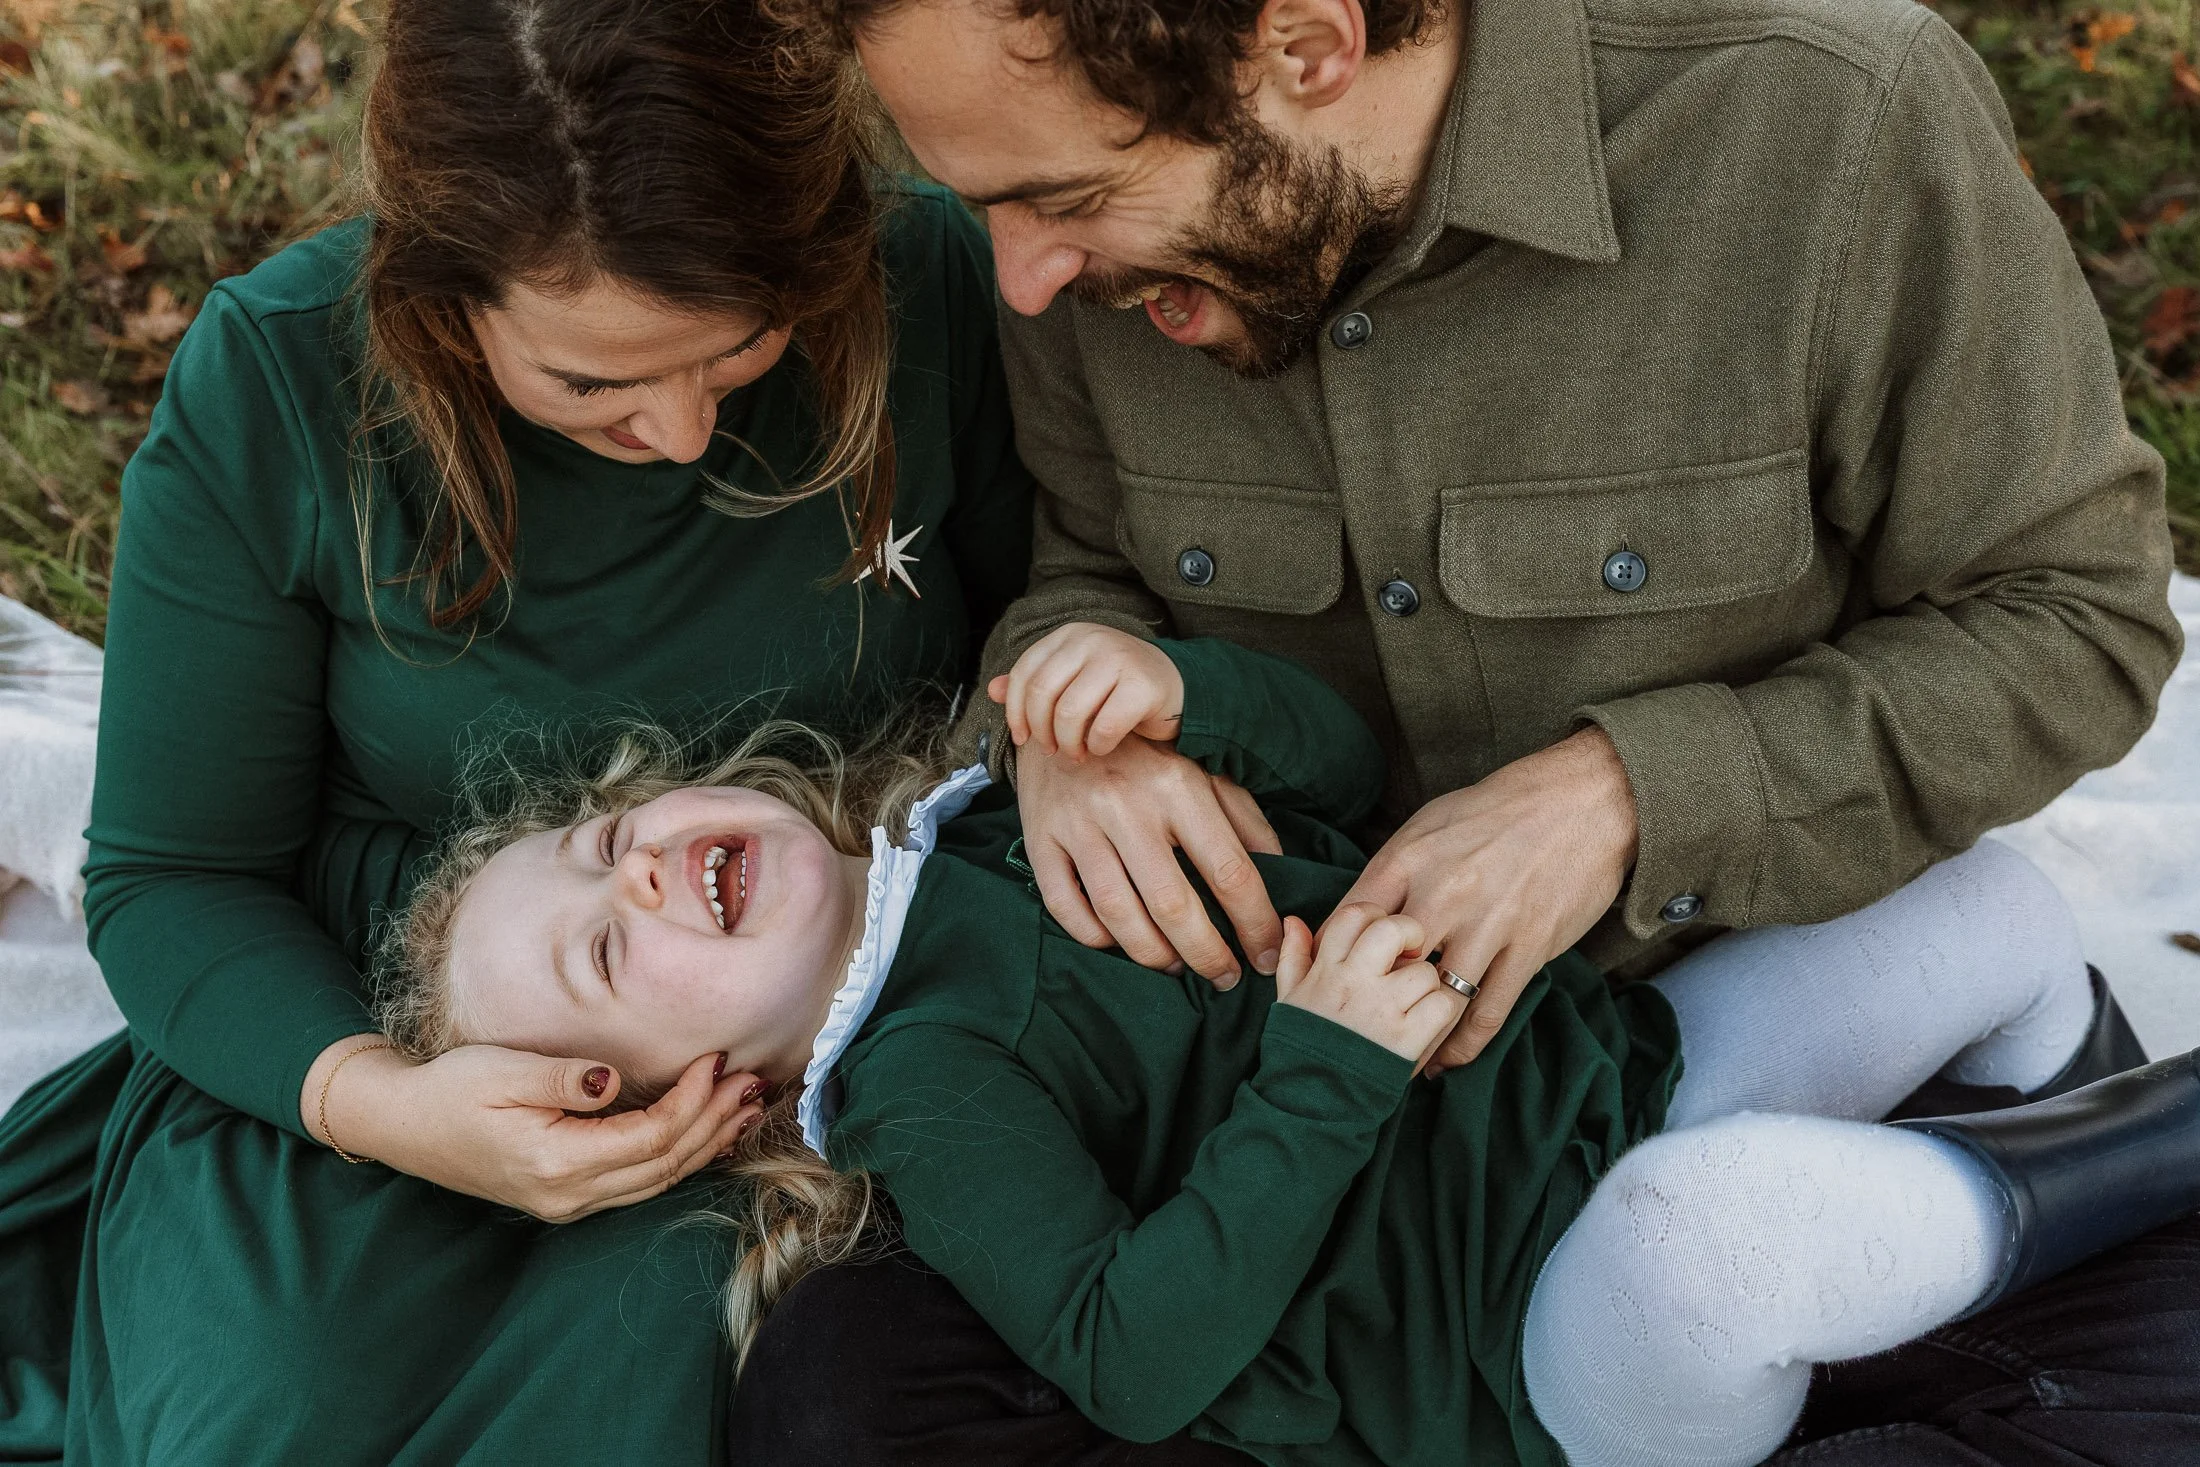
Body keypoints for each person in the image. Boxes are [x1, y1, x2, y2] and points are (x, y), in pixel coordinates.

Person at [756, 0, 2198, 1454]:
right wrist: (1072, 729)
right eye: (985, 206)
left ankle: (2054, 1144)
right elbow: (1085, 560)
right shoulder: (1090, 273)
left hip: (1747, 1019)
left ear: (1308, 48)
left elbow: (2077, 618)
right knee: (835, 1402)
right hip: (1298, 1187)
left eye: (1063, 200)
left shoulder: (1830, 123)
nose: (1020, 278)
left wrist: (1625, 795)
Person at [379, 624, 2200, 1467]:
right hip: (1535, 1348)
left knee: (1983, 902)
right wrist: (1320, 1062)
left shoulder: (1004, 811)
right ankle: (2137, 1157)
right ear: (711, 1095)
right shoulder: (917, 1090)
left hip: (1606, 1080)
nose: (645, 874)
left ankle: (2048, 1148)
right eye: (611, 949)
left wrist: (1179, 698)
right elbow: (1127, 1355)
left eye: (604, 839)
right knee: (1703, 1242)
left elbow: (1336, 787)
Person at [0, 0, 1034, 1460]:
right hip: (368, 1032)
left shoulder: (925, 279)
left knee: (643, 1399)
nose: (681, 431)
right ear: (444, 301)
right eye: (590, 381)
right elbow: (173, 879)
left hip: (788, 1073)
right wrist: (388, 1105)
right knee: (274, 1408)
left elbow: (1056, 612)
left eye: (736, 348)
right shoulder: (280, 388)